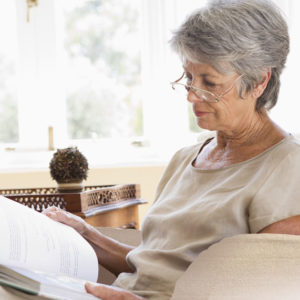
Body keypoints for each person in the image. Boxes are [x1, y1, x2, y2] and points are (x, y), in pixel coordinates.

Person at [43, 0, 300, 299]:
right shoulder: (184, 160)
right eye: (189, 77)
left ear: (258, 81)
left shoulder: (288, 166)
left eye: (209, 82)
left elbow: (266, 289)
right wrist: (86, 235)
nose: (191, 95)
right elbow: (152, 264)